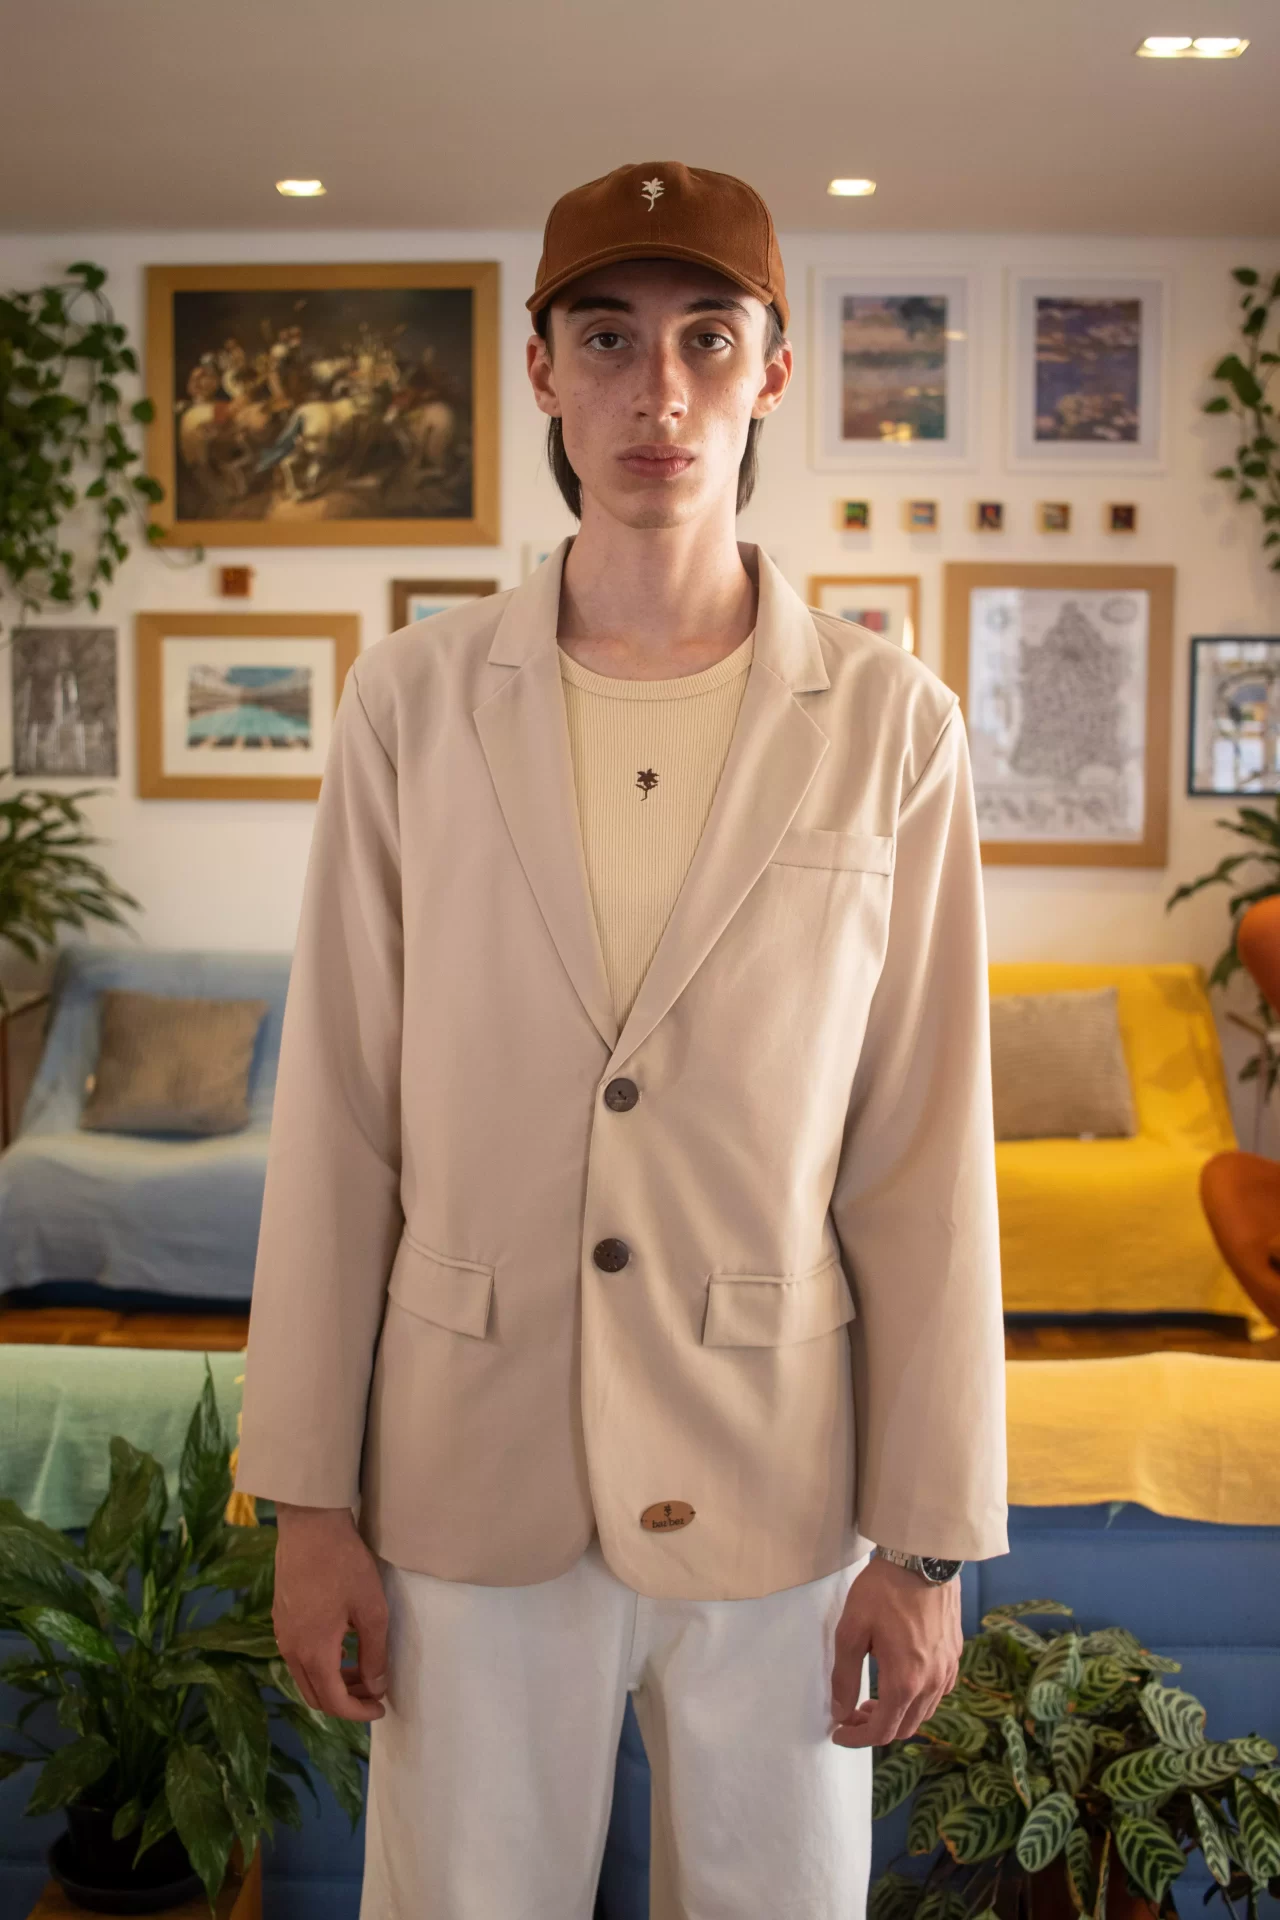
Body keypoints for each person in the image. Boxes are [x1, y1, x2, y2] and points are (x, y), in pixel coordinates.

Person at [233, 158, 1008, 1919]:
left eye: (707, 340)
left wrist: (928, 1542)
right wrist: (307, 1501)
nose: (660, 390)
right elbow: (339, 1117)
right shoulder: (412, 703)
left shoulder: (891, 724)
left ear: (773, 372)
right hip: (468, 1472)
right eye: (607, 338)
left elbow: (923, 1151)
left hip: (781, 1479)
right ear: (542, 371)